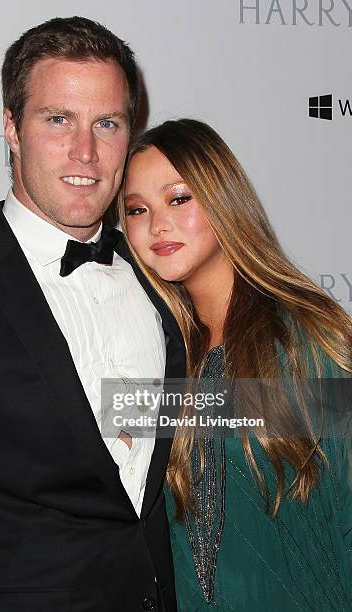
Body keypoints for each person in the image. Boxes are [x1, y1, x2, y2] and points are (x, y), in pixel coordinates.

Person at [0, 18, 186, 612]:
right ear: (11, 126)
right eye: (58, 120)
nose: (86, 151)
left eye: (106, 124)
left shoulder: (163, 283)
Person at [119, 118, 352, 611]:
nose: (157, 223)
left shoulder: (305, 337)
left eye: (178, 198)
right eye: (137, 209)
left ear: (223, 199)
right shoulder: (150, 353)